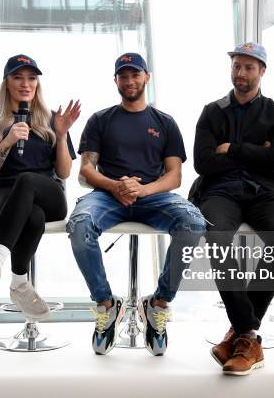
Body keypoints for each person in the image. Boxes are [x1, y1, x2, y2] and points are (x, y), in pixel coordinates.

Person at [66, 52, 206, 356]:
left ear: (146, 77)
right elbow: (86, 171)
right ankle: (106, 304)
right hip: (107, 195)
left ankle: (157, 305)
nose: (129, 81)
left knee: (194, 223)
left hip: (153, 195)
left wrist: (142, 190)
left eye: (135, 74)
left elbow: (175, 176)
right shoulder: (100, 120)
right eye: (123, 75)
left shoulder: (165, 123)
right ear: (116, 80)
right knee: (78, 225)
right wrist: (115, 186)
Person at [189, 42, 274, 376]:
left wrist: (231, 148)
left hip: (266, 192)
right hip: (220, 191)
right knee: (217, 235)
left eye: (249, 67)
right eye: (237, 66)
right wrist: (255, 153)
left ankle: (238, 333)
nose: (241, 73)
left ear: (262, 71)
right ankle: (248, 333)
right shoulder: (212, 111)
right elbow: (203, 163)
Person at [0, 54, 79, 320]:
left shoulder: (53, 119)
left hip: (49, 195)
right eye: (18, 77)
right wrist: (6, 142)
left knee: (28, 180)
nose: (25, 84)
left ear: (37, 84)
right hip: (4, 197)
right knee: (33, 215)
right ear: (6, 82)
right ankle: (19, 282)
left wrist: (62, 135)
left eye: (31, 78)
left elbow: (64, 172)